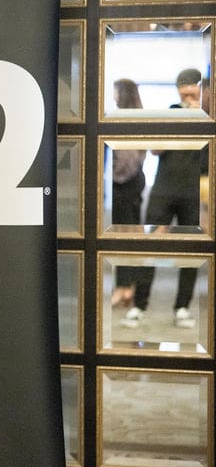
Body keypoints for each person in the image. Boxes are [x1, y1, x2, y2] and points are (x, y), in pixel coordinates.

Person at [121, 68, 203, 330]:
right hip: (163, 189)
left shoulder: (208, 116)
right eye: (183, 86)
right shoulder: (169, 112)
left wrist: (199, 117)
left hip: (193, 191)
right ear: (178, 89)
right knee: (151, 247)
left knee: (190, 251)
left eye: (192, 85)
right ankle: (139, 305)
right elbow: (155, 149)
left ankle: (182, 307)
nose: (188, 90)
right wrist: (180, 120)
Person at [109, 79, 146, 308]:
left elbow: (127, 159)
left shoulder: (125, 118)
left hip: (126, 184)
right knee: (126, 235)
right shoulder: (137, 117)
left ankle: (125, 288)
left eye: (115, 91)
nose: (112, 95)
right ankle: (126, 287)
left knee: (124, 236)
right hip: (132, 183)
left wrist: (112, 177)